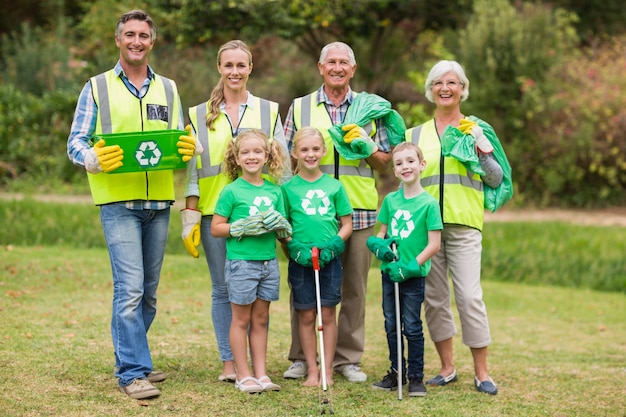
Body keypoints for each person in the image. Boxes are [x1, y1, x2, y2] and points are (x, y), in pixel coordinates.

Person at [66, 10, 196, 400]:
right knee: (130, 290)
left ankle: (135, 357)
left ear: (152, 42)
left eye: (144, 35)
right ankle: (131, 372)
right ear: (118, 40)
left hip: (158, 202)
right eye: (130, 35)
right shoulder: (96, 87)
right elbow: (76, 140)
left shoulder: (169, 89)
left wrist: (190, 148)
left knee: (150, 293)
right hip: (118, 202)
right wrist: (90, 158)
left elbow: (177, 140)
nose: (137, 41)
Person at [180, 40, 290, 383]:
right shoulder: (199, 114)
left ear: (250, 68)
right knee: (222, 290)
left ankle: (255, 367)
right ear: (219, 68)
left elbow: (282, 169)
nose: (234, 72)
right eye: (228, 65)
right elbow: (193, 171)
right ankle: (230, 363)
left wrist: (285, 212)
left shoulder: (269, 110)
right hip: (218, 214)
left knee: (257, 295)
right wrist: (191, 215)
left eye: (241, 65)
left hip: (260, 213)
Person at [282, 41, 392, 383]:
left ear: (353, 69)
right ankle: (302, 357)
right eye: (331, 62)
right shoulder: (299, 108)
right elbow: (285, 162)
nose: (337, 67)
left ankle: (346, 359)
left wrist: (367, 145)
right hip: (307, 216)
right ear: (320, 67)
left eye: (344, 62)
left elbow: (385, 161)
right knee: (304, 284)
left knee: (354, 288)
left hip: (356, 212)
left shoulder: (371, 108)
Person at [405, 60, 506, 395]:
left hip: (464, 224)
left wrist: (481, 150)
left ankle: (482, 372)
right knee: (434, 299)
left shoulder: (475, 128)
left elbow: (495, 178)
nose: (445, 88)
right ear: (430, 90)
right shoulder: (414, 134)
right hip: (426, 228)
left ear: (463, 89)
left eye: (452, 83)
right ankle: (447, 368)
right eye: (438, 83)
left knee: (468, 296)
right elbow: (405, 179)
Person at [210, 129, 289, 393]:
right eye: (245, 152)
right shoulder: (232, 191)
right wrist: (240, 226)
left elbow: (283, 227)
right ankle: (243, 375)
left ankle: (261, 374)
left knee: (261, 319)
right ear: (236, 157)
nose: (252, 156)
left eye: (257, 152)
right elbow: (216, 228)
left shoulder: (275, 191)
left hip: (269, 263)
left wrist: (283, 229)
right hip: (242, 263)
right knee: (240, 319)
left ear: (267, 155)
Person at [367, 142, 442, 397]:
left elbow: (434, 244)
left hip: (413, 276)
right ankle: (396, 372)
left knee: (411, 325)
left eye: (410, 161)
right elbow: (382, 233)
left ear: (421, 165)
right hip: (390, 273)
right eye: (399, 163)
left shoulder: (429, 204)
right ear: (395, 171)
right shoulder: (390, 200)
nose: (405, 167)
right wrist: (380, 246)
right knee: (391, 323)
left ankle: (416, 377)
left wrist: (411, 266)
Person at [281, 127, 353, 387]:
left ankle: (328, 371)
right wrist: (292, 245)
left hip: (328, 258)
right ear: (295, 153)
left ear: (323, 151)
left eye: (315, 149)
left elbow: (346, 224)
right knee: (306, 315)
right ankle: (312, 370)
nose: (310, 154)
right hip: (302, 259)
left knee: (327, 313)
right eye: (304, 150)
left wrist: (335, 244)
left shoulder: (334, 186)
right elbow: (283, 225)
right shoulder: (288, 189)